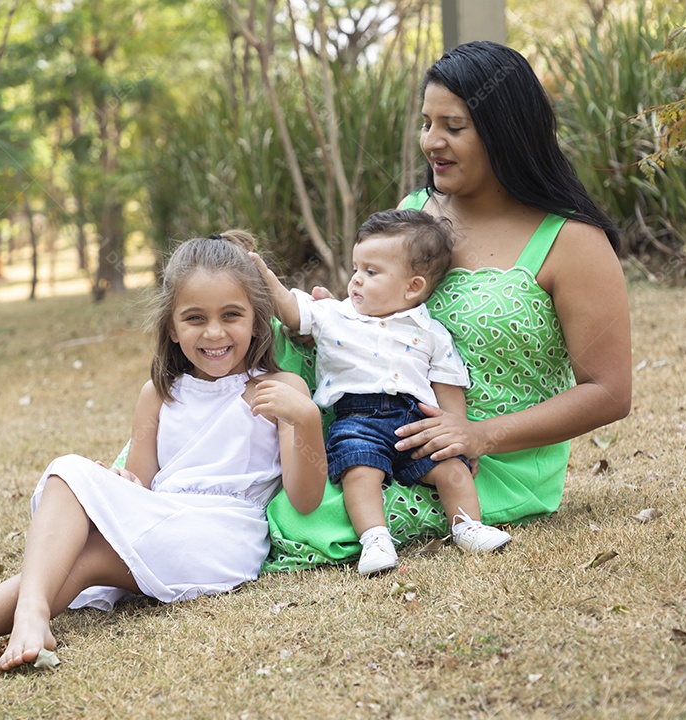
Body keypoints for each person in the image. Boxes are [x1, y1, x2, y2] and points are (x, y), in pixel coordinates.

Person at [0, 232, 327, 677]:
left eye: (231, 316)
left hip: (219, 535)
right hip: (161, 514)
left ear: (257, 321)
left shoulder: (281, 387)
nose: (214, 333)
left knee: (87, 553)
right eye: (195, 319)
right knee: (70, 483)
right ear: (172, 327)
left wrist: (304, 418)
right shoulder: (160, 394)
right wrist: (125, 485)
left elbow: (304, 500)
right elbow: (142, 481)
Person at [262, 40, 632, 573]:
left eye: (453, 127)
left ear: (505, 130)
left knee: (301, 521)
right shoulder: (415, 214)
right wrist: (342, 317)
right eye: (426, 123)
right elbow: (387, 314)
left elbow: (610, 392)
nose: (431, 142)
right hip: (377, 423)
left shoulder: (573, 241)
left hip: (487, 461)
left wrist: (479, 433)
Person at [252, 209, 511, 576]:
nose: (356, 280)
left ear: (413, 286)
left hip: (416, 421)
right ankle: (375, 538)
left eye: (371, 273)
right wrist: (265, 276)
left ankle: (466, 525)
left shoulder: (432, 332)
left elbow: (448, 385)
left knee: (451, 470)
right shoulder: (334, 315)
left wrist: (458, 433)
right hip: (357, 419)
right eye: (356, 269)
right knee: (360, 470)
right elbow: (292, 311)